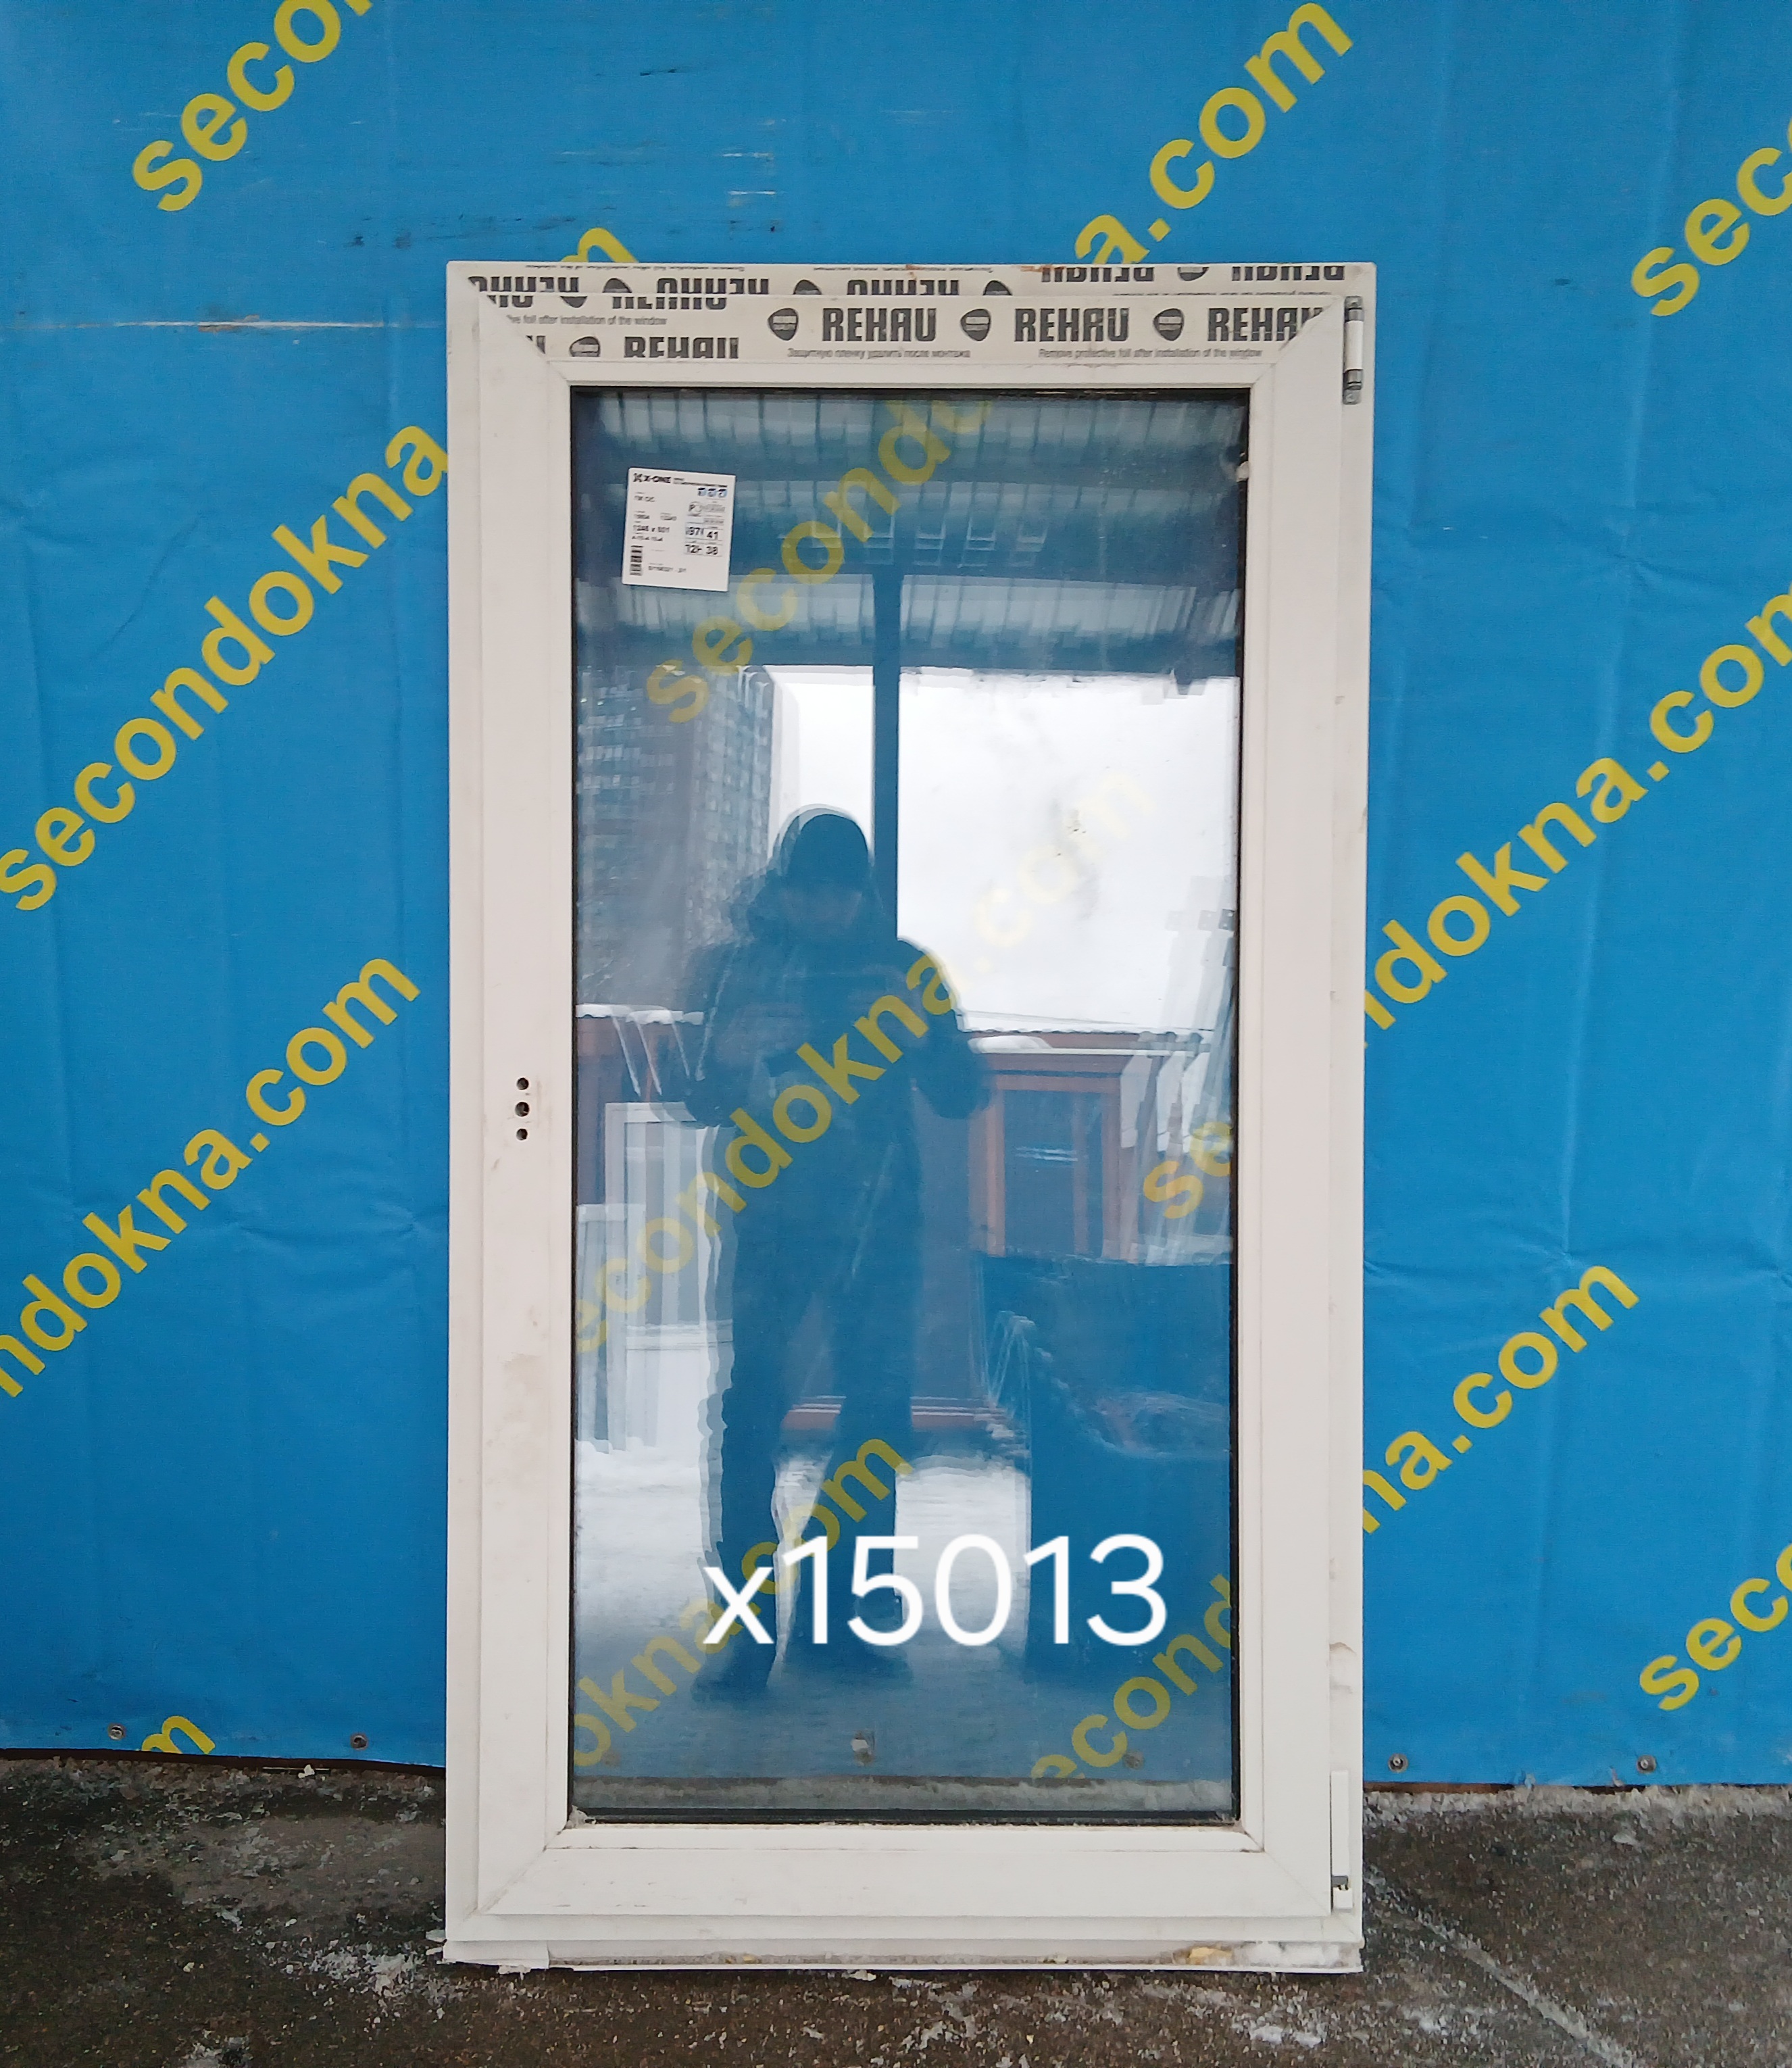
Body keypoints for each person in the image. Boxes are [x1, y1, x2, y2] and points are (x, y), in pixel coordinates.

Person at [685, 810, 985, 1693]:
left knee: (877, 1418)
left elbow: (963, 1091)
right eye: (806, 891)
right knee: (751, 1419)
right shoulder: (738, 970)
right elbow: (690, 1095)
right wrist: (728, 1053)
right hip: (774, 1226)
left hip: (876, 1226)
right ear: (781, 889)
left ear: (863, 895)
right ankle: (747, 1636)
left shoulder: (901, 970)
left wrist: (918, 1031)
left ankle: (833, 1619)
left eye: (839, 893)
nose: (822, 909)